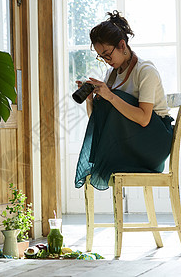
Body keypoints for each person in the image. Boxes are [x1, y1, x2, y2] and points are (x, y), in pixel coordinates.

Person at [74, 10, 173, 190]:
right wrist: (90, 100)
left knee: (114, 98)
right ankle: (102, 163)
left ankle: (100, 163)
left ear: (122, 45)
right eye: (101, 57)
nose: (106, 60)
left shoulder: (145, 71)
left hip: (154, 143)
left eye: (107, 54)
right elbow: (99, 121)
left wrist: (110, 96)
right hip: (131, 142)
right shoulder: (112, 75)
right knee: (105, 103)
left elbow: (144, 119)